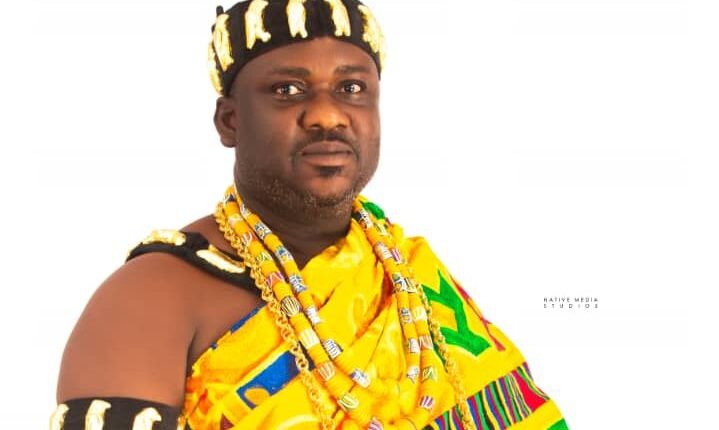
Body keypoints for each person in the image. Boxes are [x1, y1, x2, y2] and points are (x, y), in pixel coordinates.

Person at [52, 0, 568, 429]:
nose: (327, 114)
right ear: (230, 121)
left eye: (352, 88)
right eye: (287, 90)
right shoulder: (151, 299)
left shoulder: (408, 277)